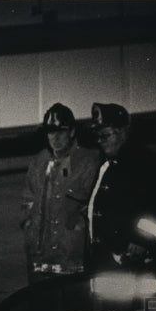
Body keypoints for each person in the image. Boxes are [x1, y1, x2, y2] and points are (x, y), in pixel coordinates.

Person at [86, 102, 156, 295]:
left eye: (106, 135)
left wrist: (141, 241)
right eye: (98, 136)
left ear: (124, 132)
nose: (100, 141)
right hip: (111, 260)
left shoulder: (147, 163)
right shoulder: (108, 163)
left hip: (133, 263)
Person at [20, 103, 100, 283]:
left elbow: (94, 207)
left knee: (74, 308)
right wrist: (29, 227)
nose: (55, 137)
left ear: (71, 132)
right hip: (40, 259)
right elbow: (27, 200)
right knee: (42, 308)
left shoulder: (88, 162)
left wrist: (79, 234)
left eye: (60, 132)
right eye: (50, 132)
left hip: (73, 260)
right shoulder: (39, 162)